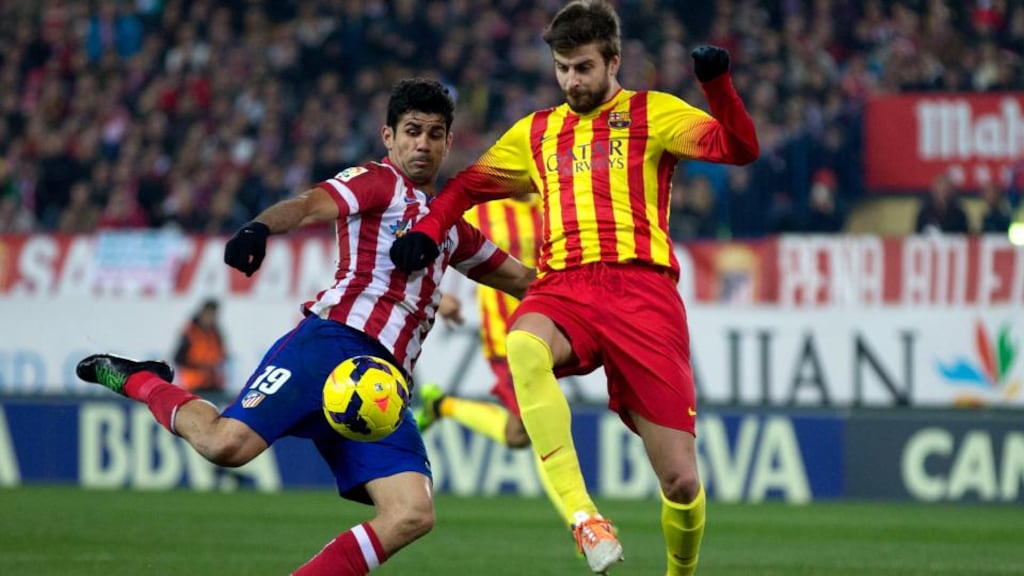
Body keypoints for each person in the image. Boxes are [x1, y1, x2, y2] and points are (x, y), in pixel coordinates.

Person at [76, 78, 536, 576]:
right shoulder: (376, 182)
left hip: (382, 387)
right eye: (412, 131)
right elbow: (308, 204)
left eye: (434, 134)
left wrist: (585, 303)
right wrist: (259, 227)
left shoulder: (451, 228)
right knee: (225, 445)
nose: (422, 144)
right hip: (330, 345)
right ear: (388, 136)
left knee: (412, 514)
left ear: (449, 142)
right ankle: (142, 380)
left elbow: (523, 281)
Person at [389, 2, 759, 574]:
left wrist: (717, 87)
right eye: (562, 68)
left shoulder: (653, 113)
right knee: (523, 343)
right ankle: (584, 518)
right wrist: (428, 229)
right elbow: (466, 187)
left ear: (613, 61)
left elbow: (740, 148)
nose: (571, 81)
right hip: (565, 285)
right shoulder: (536, 132)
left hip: (643, 293)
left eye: (583, 68)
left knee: (681, 482)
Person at [414, 195, 571, 523]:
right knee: (540, 426)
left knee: (518, 435)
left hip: (546, 330)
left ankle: (442, 406)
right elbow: (432, 242)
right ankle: (580, 521)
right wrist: (439, 296)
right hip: (504, 337)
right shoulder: (481, 209)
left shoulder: (548, 204)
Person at [173, 298, 229, 405]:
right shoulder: (190, 332)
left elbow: (222, 356)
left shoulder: (216, 333)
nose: (211, 318)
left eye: (213, 315)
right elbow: (179, 358)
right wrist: (200, 368)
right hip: (194, 386)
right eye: (209, 314)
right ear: (202, 313)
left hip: (213, 384)